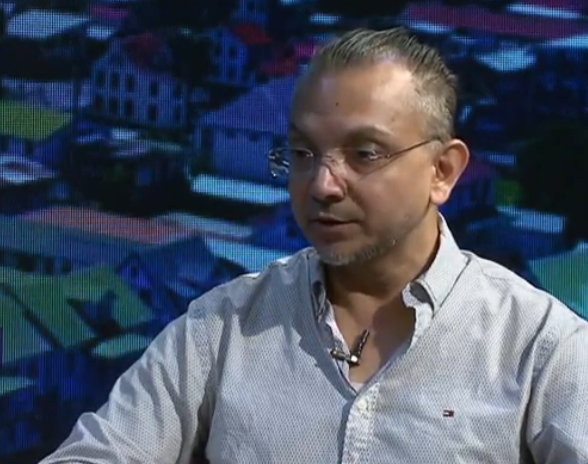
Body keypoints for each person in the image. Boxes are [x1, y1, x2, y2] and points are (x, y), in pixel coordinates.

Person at [39, 28, 588, 464]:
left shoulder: (542, 350)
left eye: (364, 154)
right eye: (303, 153)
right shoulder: (222, 328)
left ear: (442, 171)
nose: (322, 185)